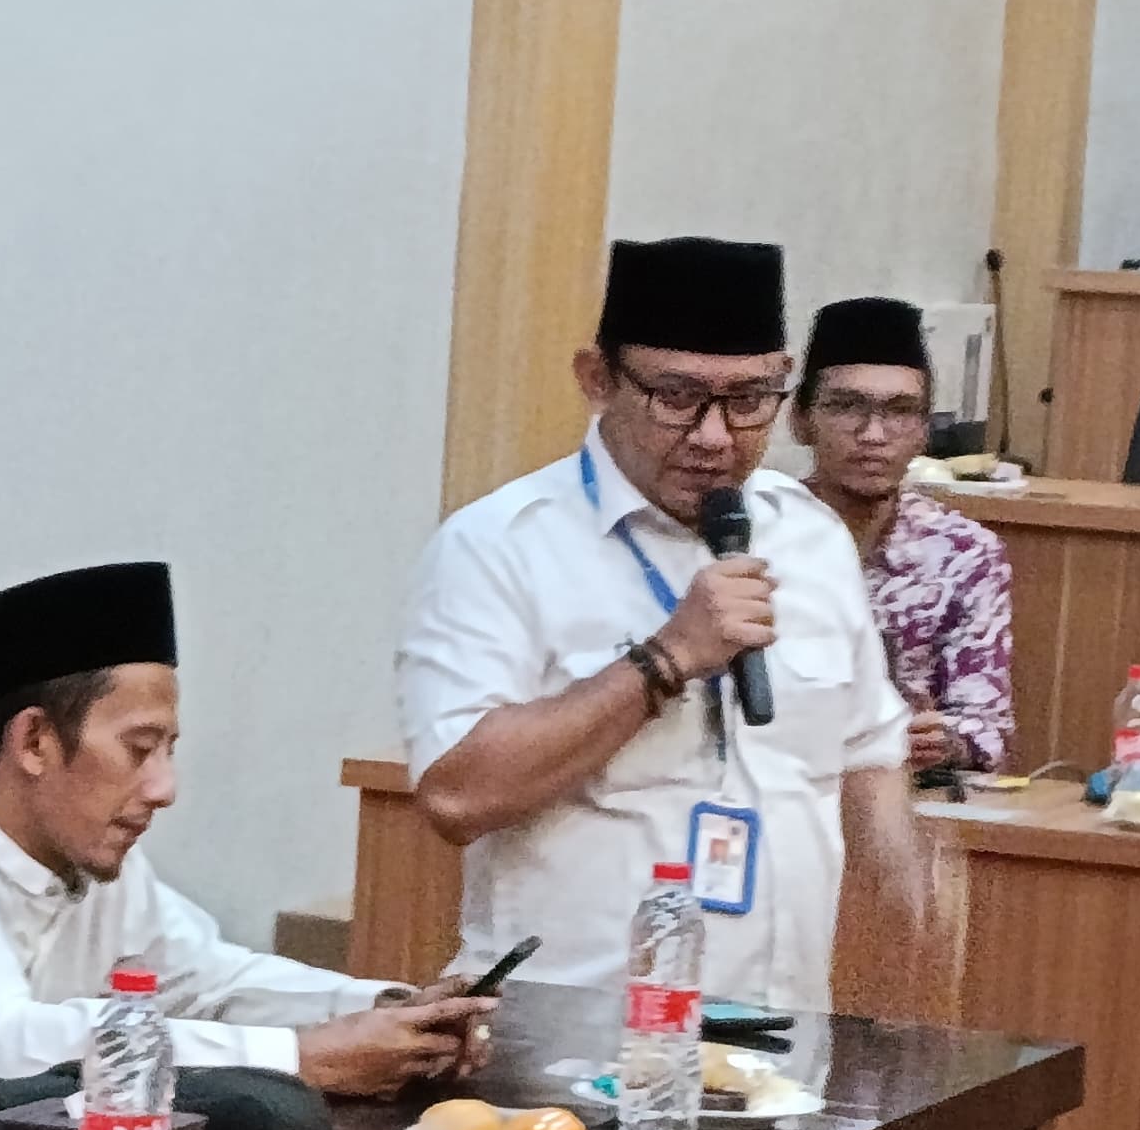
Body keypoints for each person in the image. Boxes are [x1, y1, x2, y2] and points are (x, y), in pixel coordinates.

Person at [0, 563, 497, 1130]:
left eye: (168, 751)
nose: (164, 788)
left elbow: (204, 978)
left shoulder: (81, 842)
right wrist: (305, 1058)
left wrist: (389, 1010)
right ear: (34, 741)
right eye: (140, 749)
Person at [398, 237, 943, 1014]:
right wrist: (667, 657)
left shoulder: (811, 537)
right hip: (573, 1034)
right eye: (677, 396)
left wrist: (910, 879)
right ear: (598, 378)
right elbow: (456, 796)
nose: (714, 436)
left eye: (749, 399)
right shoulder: (500, 546)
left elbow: (868, 748)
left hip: (775, 1029)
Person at [785, 297, 1014, 777]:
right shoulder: (759, 534)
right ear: (800, 422)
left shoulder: (962, 553)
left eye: (900, 411)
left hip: (903, 785)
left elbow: (987, 728)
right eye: (846, 406)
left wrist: (946, 740)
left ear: (924, 432)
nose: (873, 433)